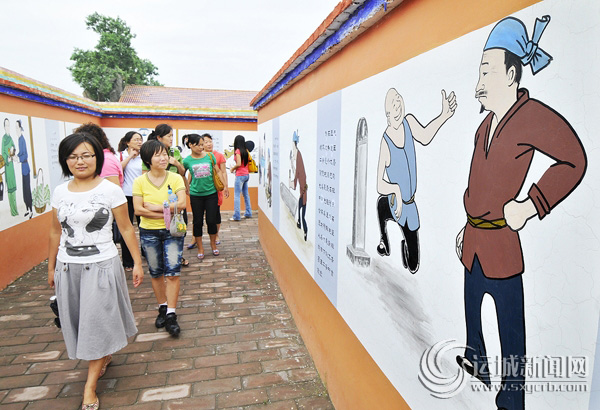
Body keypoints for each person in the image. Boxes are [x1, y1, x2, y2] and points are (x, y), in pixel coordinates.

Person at [454, 16, 587, 410]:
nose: (479, 83)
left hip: (502, 242)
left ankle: (512, 394)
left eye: (487, 71)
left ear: (511, 75)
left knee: (510, 324)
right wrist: (466, 224)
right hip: (475, 239)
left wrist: (531, 204)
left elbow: (574, 160)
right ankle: (477, 359)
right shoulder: (485, 126)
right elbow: (479, 182)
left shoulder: (531, 117)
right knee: (472, 306)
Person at [48, 132, 143, 410]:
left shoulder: (110, 190)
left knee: (96, 320)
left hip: (102, 265)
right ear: (65, 160)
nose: (80, 161)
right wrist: (51, 267)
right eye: (73, 156)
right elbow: (55, 232)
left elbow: (126, 228)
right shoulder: (60, 191)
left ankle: (89, 387)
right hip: (68, 266)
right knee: (79, 321)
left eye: (86, 155)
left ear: (97, 158)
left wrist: (137, 263)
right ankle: (103, 354)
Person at [376, 88, 456, 273]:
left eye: (399, 100)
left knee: (413, 265)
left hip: (410, 206)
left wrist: (444, 115)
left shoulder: (409, 122)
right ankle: (384, 241)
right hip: (395, 204)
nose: (398, 105)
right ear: (388, 114)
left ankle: (404, 243)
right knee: (382, 205)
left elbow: (425, 137)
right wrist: (396, 190)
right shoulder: (386, 142)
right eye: (393, 104)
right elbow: (379, 184)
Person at [133, 139, 187, 337]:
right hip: (149, 232)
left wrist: (157, 208)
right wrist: (167, 213)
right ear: (148, 159)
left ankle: (171, 313)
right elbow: (138, 210)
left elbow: (182, 204)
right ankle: (162, 307)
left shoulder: (176, 178)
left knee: (172, 272)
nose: (164, 158)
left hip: (173, 232)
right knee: (156, 273)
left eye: (165, 154)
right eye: (158, 155)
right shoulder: (140, 181)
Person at [145, 124, 189, 267]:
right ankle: (163, 257)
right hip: (157, 196)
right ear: (159, 137)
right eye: (169, 136)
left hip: (175, 196)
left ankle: (177, 255)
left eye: (172, 135)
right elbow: (145, 175)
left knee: (180, 226)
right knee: (161, 227)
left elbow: (183, 172)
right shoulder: (149, 151)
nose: (171, 138)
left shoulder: (175, 152)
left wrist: (176, 163)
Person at [182, 134, 224, 259]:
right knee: (197, 222)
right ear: (190, 145)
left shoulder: (210, 156)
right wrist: (187, 187)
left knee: (211, 220)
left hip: (211, 194)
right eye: (199, 145)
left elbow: (217, 171)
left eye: (202, 144)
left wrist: (224, 186)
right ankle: (200, 248)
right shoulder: (187, 160)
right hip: (196, 195)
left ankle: (213, 244)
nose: (202, 147)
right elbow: (182, 174)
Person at [118, 131, 144, 271]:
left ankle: (146, 253)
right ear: (127, 142)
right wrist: (129, 157)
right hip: (126, 196)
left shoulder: (144, 155)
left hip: (141, 195)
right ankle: (128, 261)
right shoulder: (120, 155)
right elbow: (118, 170)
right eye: (136, 139)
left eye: (140, 139)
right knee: (126, 228)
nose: (139, 142)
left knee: (144, 226)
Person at [289, 131, 308, 241]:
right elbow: (296, 175)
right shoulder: (297, 158)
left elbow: (298, 177)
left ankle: (305, 230)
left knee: (302, 213)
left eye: (293, 145)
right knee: (301, 210)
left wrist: (292, 184)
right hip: (302, 191)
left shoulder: (299, 157)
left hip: (303, 192)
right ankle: (300, 224)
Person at [229, 134, 252, 221]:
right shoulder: (245, 150)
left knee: (237, 196)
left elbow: (238, 164)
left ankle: (236, 216)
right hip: (246, 175)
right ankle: (248, 212)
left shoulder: (238, 151)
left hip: (240, 175)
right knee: (246, 194)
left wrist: (232, 169)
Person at [16, 120, 33, 218]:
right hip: (23, 168)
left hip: (26, 168)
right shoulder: (19, 139)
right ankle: (27, 209)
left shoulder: (22, 139)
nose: (16, 129)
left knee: (27, 190)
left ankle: (31, 210)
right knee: (24, 190)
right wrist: (16, 156)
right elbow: (20, 152)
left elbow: (25, 155)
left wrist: (18, 159)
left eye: (17, 127)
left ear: (20, 128)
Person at [2, 118, 18, 216]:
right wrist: (7, 158)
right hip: (8, 167)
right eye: (6, 125)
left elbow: (14, 147)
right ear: (4, 127)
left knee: (14, 188)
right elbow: (3, 152)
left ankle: (15, 210)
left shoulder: (11, 138)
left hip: (11, 166)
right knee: (10, 189)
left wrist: (13, 152)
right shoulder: (4, 139)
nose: (7, 127)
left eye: (8, 125)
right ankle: (13, 211)